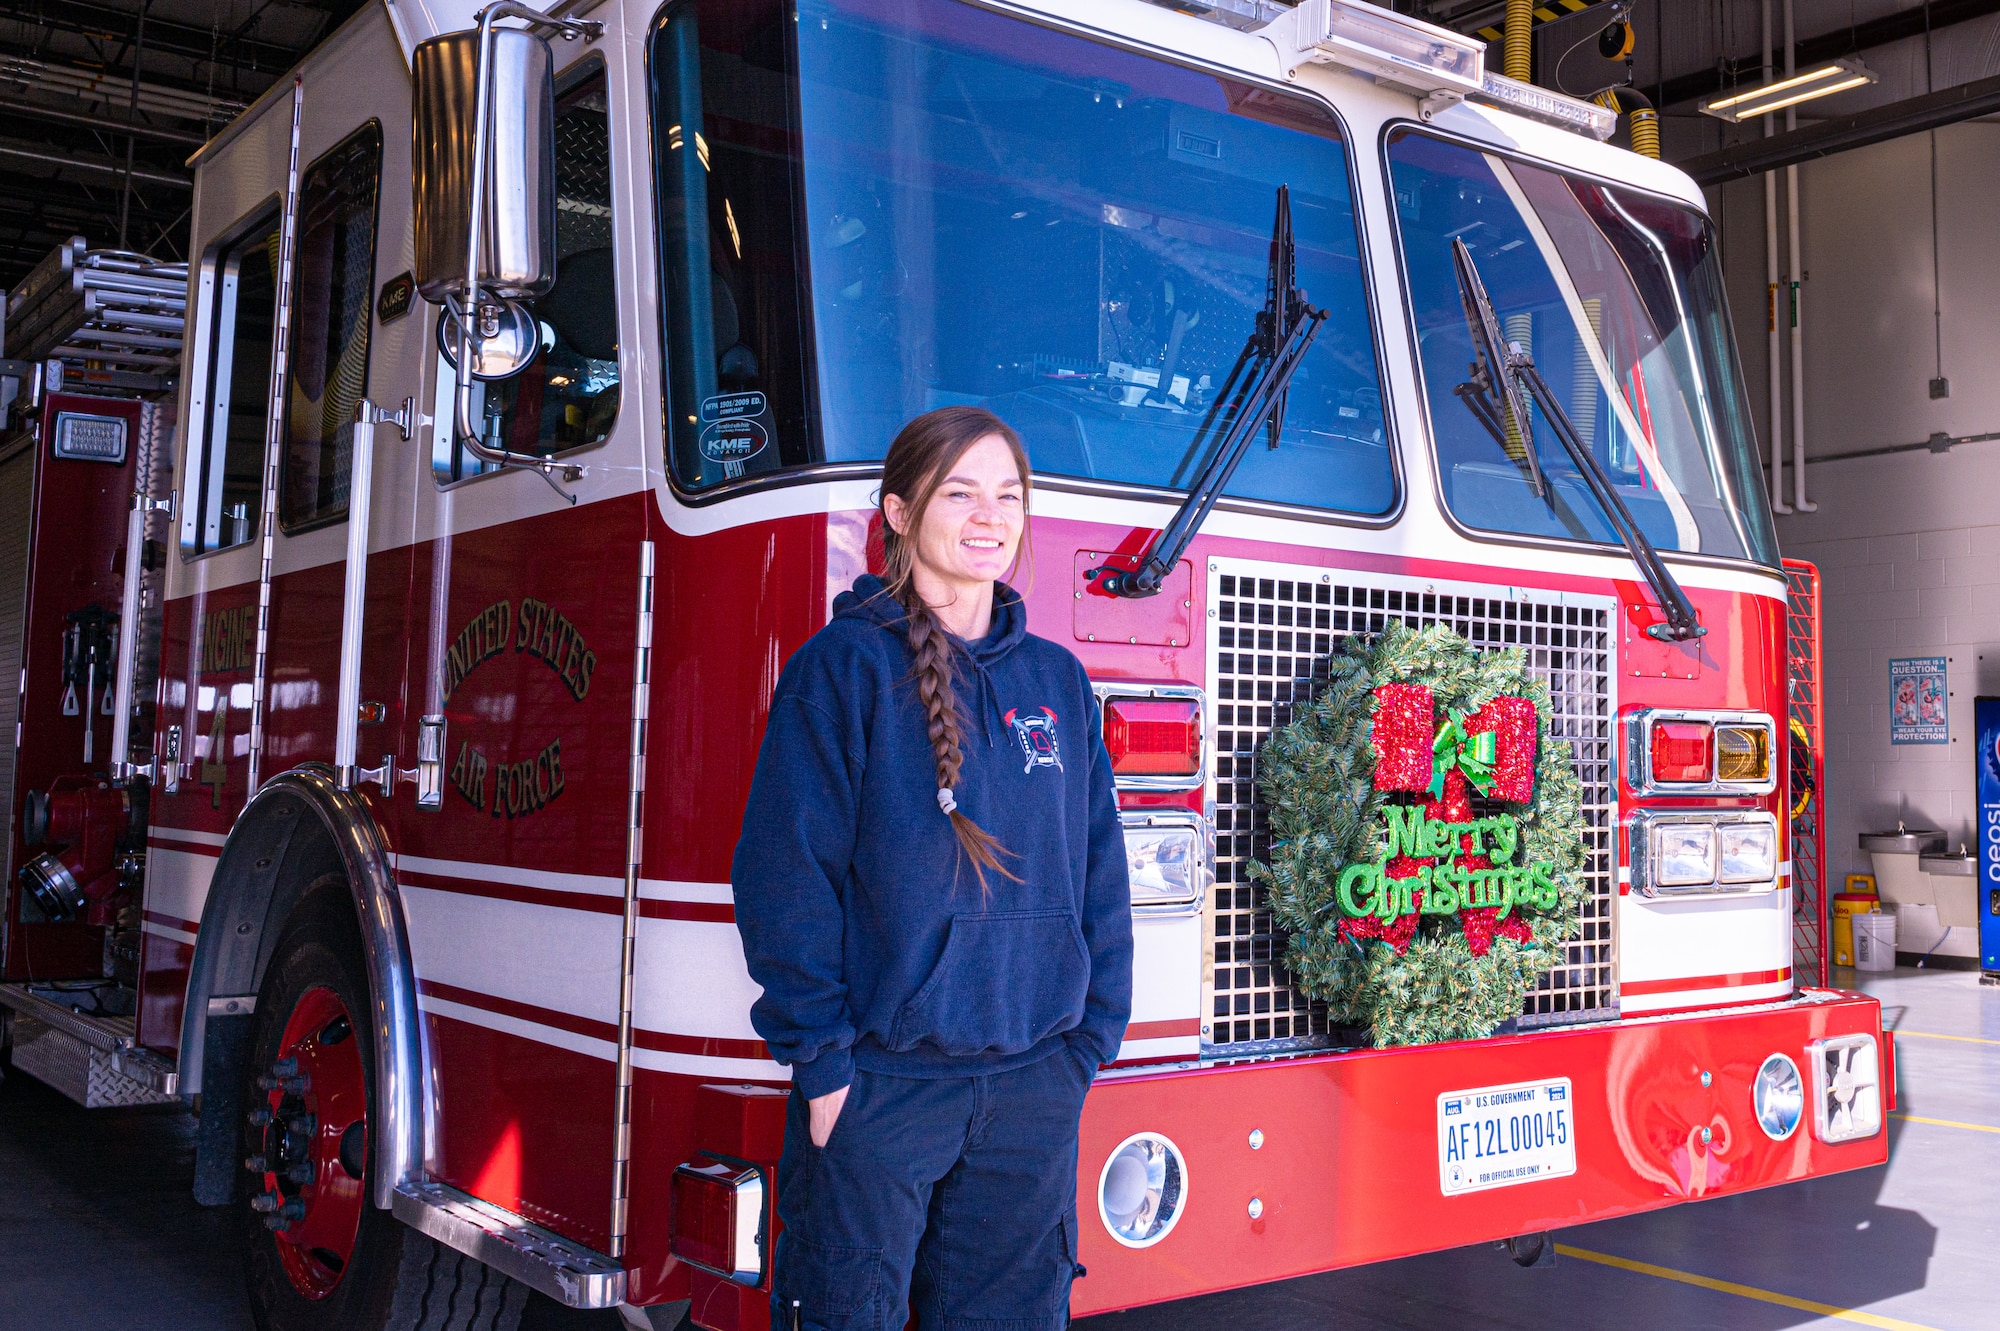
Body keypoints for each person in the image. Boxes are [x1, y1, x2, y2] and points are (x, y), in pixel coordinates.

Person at [732, 406, 1134, 1331]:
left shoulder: (1058, 682)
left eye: (1008, 494)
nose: (990, 514)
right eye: (961, 492)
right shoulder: (842, 671)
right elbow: (784, 877)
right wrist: (827, 1066)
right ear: (901, 513)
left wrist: (1088, 1043)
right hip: (883, 1088)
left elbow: (1100, 877)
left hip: (1034, 1087)